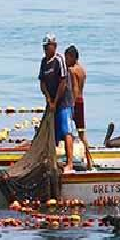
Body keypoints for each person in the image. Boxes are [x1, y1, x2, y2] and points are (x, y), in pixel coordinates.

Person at [38, 33, 74, 173]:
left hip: (63, 102)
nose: (46, 50)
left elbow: (63, 82)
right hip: (51, 102)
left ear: (54, 46)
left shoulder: (59, 60)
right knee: (51, 132)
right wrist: (48, 99)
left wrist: (56, 101)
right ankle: (53, 160)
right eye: (44, 47)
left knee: (66, 131)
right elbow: (42, 82)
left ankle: (69, 163)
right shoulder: (43, 62)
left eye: (48, 47)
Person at [64, 44, 87, 145]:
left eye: (67, 58)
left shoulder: (72, 70)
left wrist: (71, 103)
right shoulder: (82, 70)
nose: (65, 60)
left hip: (74, 101)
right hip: (81, 101)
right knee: (81, 131)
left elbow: (75, 87)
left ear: (72, 57)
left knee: (66, 129)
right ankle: (87, 151)